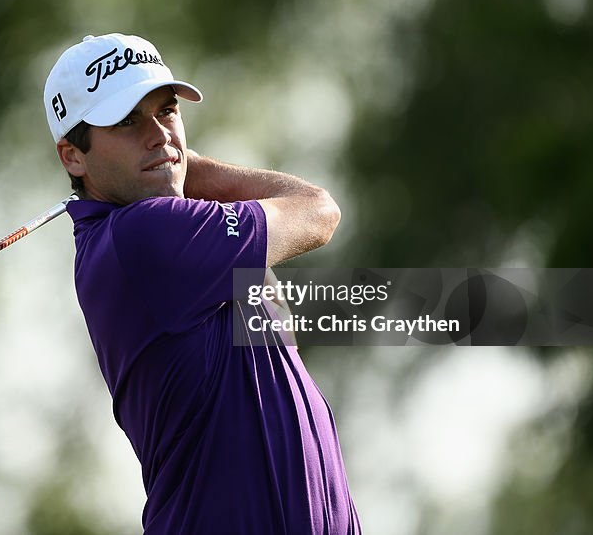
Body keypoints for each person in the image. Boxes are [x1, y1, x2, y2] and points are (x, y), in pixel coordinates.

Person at [43, 33, 362, 534]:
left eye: (166, 111)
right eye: (127, 122)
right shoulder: (142, 236)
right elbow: (318, 211)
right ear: (73, 157)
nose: (158, 134)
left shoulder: (165, 234)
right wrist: (184, 163)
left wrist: (169, 160)